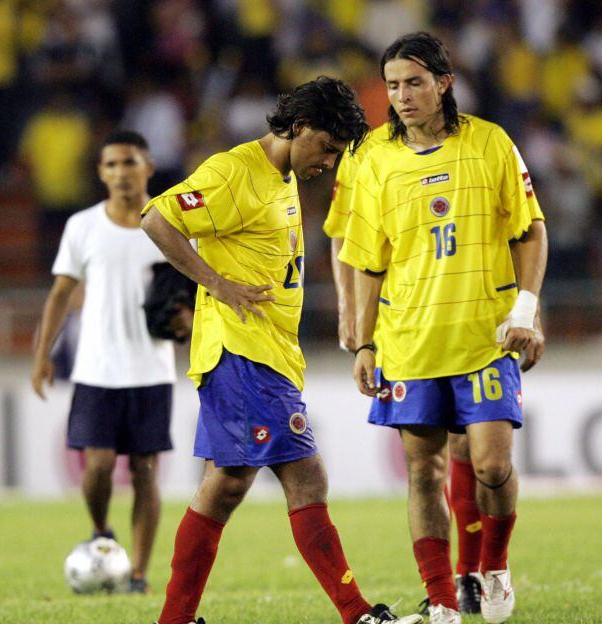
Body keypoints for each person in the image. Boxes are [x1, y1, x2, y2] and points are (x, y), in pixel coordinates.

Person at [140, 76, 422, 624]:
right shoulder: (232, 173)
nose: (329, 162)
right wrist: (217, 285)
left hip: (269, 353)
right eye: (326, 148)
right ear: (297, 127)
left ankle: (173, 620)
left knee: (224, 486)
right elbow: (157, 218)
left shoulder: (283, 175)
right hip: (243, 354)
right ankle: (357, 614)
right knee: (306, 476)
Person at [339, 32, 548, 624]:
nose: (401, 96)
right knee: (423, 473)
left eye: (414, 82)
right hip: (409, 340)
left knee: (491, 466)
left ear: (444, 83)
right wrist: (364, 342)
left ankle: (495, 565)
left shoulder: (490, 144)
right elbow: (366, 260)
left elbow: (530, 231)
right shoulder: (372, 156)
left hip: (486, 334)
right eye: (393, 85)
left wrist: (526, 309)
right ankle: (440, 601)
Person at [31, 130, 182, 593]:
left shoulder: (169, 222)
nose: (121, 172)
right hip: (96, 367)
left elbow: (188, 291)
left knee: (144, 470)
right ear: (100, 172)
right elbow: (60, 293)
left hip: (152, 368)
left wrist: (188, 324)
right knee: (97, 466)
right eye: (112, 164)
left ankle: (137, 570)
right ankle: (101, 532)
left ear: (149, 168)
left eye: (130, 163)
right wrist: (42, 355)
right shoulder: (83, 225)